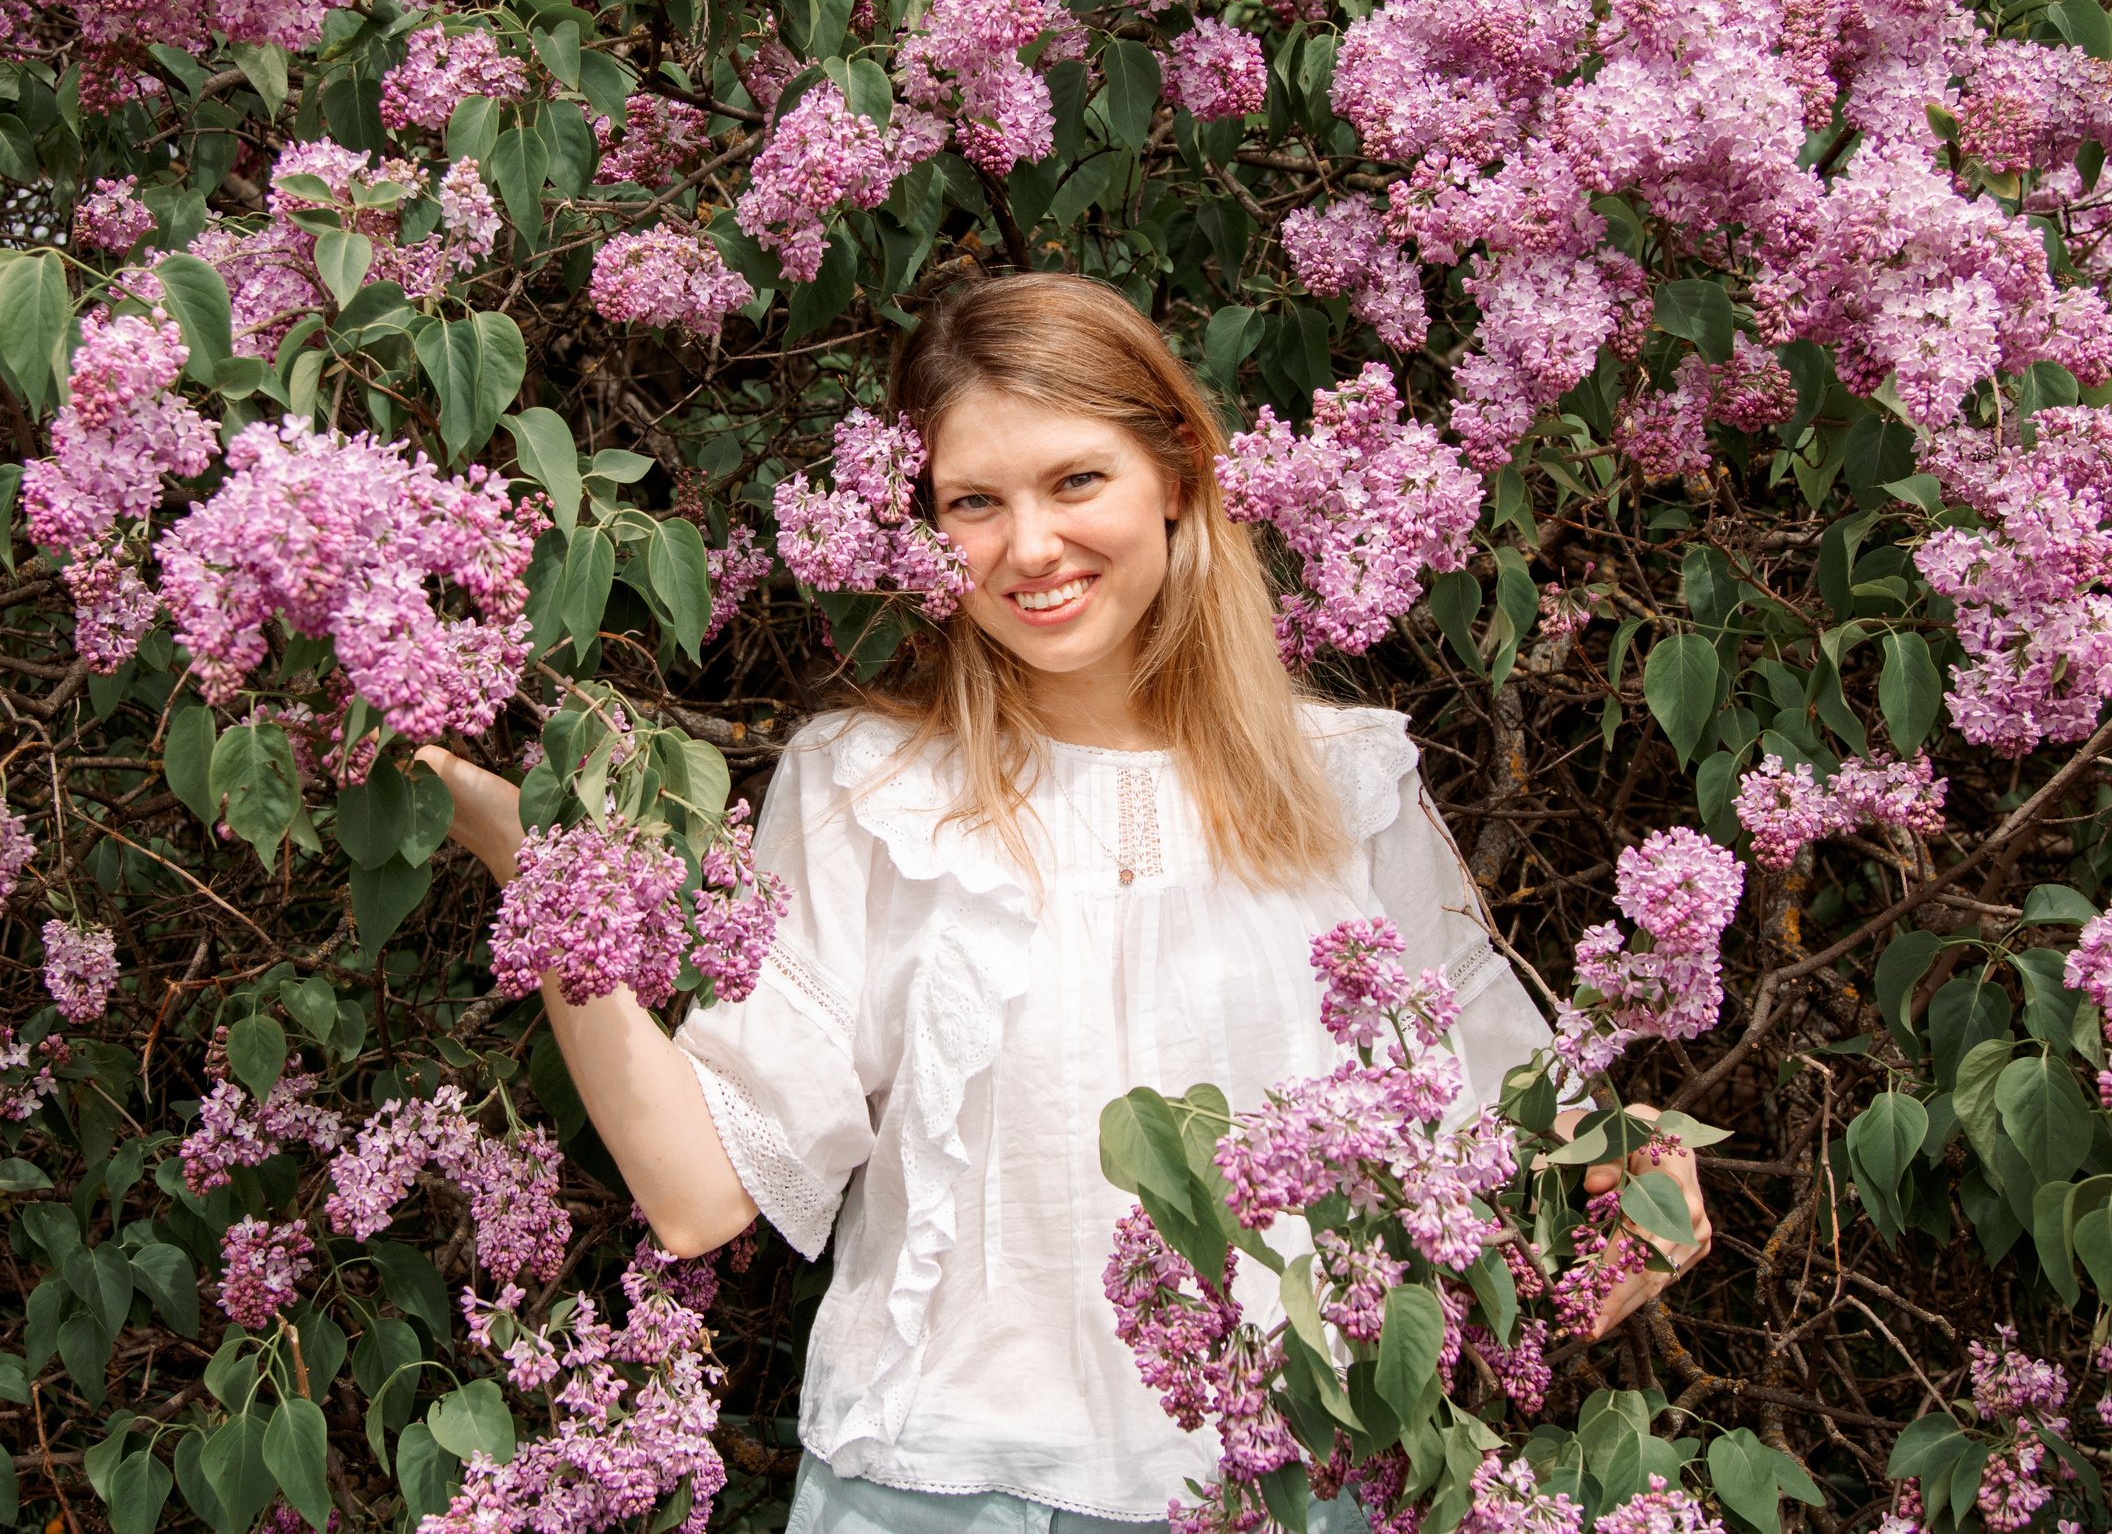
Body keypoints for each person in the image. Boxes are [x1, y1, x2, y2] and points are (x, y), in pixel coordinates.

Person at [415, 274, 1712, 1532]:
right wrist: (534, 869)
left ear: (1178, 475)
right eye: (973, 502)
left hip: (1288, 1491)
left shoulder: (1349, 787)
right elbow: (700, 1193)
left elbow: (1519, 1124)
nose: (1030, 547)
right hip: (936, 1494)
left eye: (1077, 480)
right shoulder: (867, 789)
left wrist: (1635, 1166)